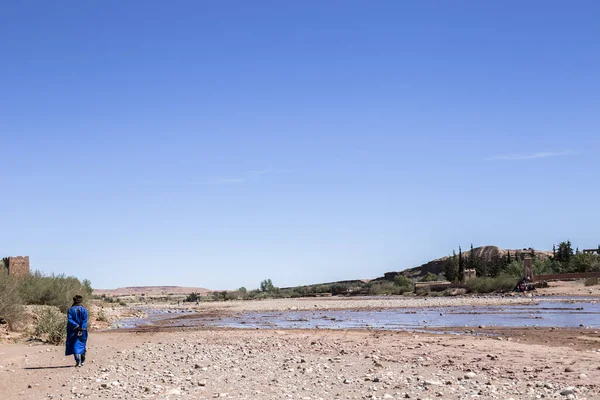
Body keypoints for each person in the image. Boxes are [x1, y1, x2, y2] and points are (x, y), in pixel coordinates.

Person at [66, 295, 88, 367]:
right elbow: (85, 320)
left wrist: (76, 326)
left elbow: (70, 320)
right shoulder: (84, 310)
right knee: (82, 344)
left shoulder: (70, 310)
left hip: (72, 330)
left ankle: (78, 361)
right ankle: (82, 360)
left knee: (75, 344)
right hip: (83, 330)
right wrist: (82, 327)